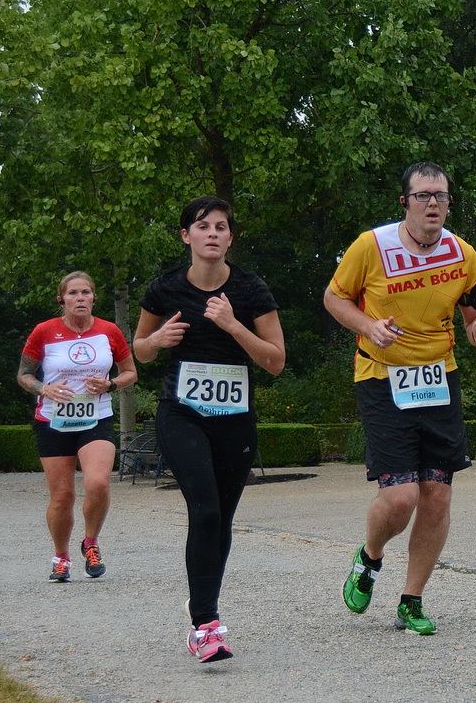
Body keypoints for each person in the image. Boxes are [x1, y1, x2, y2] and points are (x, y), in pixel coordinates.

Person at [324, 163, 476, 635]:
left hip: (440, 377)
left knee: (437, 495)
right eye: (423, 196)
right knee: (400, 496)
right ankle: (370, 555)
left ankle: (412, 600)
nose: (434, 204)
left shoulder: (463, 253)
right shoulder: (371, 246)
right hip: (382, 377)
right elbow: (333, 299)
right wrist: (367, 325)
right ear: (405, 202)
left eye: (441, 196)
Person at [133, 197, 286, 662]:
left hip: (234, 418)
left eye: (222, 227)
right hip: (181, 412)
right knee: (203, 509)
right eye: (203, 226)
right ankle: (205, 625)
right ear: (186, 236)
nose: (213, 234)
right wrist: (156, 341)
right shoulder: (164, 289)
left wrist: (233, 326)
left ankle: (203, 608)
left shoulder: (251, 289)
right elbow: (139, 350)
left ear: (230, 238)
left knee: (220, 517)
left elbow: (275, 362)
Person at [17, 271, 140, 582]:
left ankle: (91, 542)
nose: (80, 298)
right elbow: (24, 375)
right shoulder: (45, 331)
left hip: (95, 417)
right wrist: (44, 389)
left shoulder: (109, 331)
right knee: (62, 496)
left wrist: (110, 384)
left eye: (86, 292)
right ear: (62, 299)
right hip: (53, 420)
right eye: (73, 293)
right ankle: (61, 557)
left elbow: (130, 373)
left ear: (93, 298)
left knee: (98, 483)